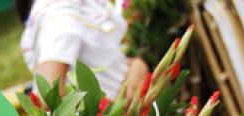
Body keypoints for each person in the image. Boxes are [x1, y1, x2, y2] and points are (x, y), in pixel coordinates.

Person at [19, 0, 148, 100]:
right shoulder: (61, 15)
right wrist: (114, 112)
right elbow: (48, 98)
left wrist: (136, 65)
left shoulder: (80, 6)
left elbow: (103, 59)